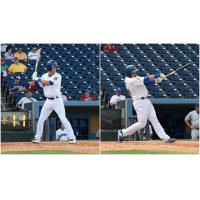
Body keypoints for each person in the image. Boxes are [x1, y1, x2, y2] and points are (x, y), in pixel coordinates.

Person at [117, 65, 176, 143]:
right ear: (129, 73)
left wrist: (156, 81)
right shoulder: (130, 81)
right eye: (133, 72)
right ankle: (123, 132)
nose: (135, 73)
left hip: (146, 101)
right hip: (139, 102)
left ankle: (165, 138)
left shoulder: (133, 78)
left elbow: (146, 82)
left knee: (154, 120)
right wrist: (158, 75)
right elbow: (145, 79)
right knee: (141, 124)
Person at [31, 60, 76, 144]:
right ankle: (37, 138)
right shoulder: (44, 75)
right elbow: (42, 85)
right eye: (53, 67)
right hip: (48, 100)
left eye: (55, 67)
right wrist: (35, 80)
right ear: (50, 68)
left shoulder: (58, 76)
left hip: (57, 100)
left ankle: (72, 137)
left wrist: (37, 78)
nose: (55, 68)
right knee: (41, 119)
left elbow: (49, 83)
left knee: (63, 118)